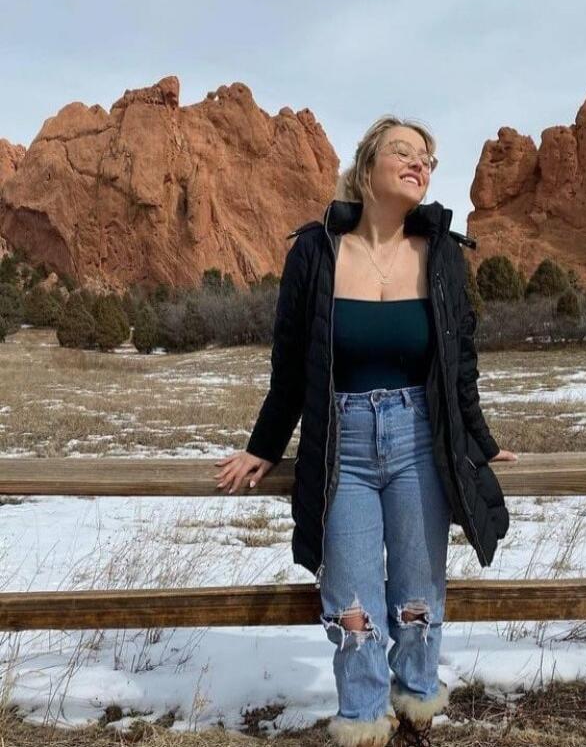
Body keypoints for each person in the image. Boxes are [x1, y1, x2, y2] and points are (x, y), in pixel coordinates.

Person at [213, 115, 517, 747]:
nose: (420, 163)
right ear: (367, 166)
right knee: (353, 609)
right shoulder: (316, 252)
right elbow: (292, 365)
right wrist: (264, 446)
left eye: (428, 157)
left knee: (415, 598)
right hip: (341, 446)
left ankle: (414, 712)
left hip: (418, 441)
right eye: (403, 151)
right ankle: (362, 720)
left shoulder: (442, 257)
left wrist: (481, 442)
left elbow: (461, 366)